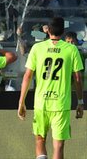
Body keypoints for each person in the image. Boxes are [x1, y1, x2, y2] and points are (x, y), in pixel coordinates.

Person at [18, 17, 84, 159]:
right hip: (61, 104)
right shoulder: (71, 49)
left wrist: (21, 101)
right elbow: (78, 78)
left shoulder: (37, 48)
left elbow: (27, 76)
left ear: (48, 30)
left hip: (41, 103)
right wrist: (80, 102)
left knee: (40, 140)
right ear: (63, 31)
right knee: (58, 146)